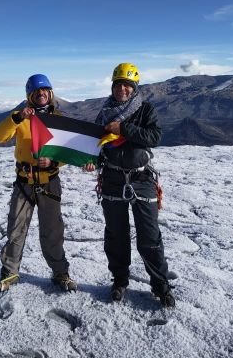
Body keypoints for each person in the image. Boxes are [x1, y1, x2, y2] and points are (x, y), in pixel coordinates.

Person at [86, 63, 175, 307]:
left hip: (141, 179)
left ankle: (161, 286)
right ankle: (120, 281)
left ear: (134, 88)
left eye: (128, 85)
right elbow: (97, 145)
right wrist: (91, 161)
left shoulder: (145, 110)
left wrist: (123, 127)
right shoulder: (104, 113)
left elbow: (153, 137)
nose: (122, 89)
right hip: (113, 180)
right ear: (113, 86)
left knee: (150, 236)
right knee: (116, 235)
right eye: (118, 85)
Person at [0, 74, 77, 293]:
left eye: (44, 90)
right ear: (30, 95)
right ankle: (9, 272)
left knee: (52, 230)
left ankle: (60, 273)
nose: (41, 94)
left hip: (49, 182)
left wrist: (53, 160)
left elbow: (68, 152)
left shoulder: (58, 119)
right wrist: (17, 118)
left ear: (50, 93)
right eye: (36, 91)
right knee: (16, 228)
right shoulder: (20, 117)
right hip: (24, 182)